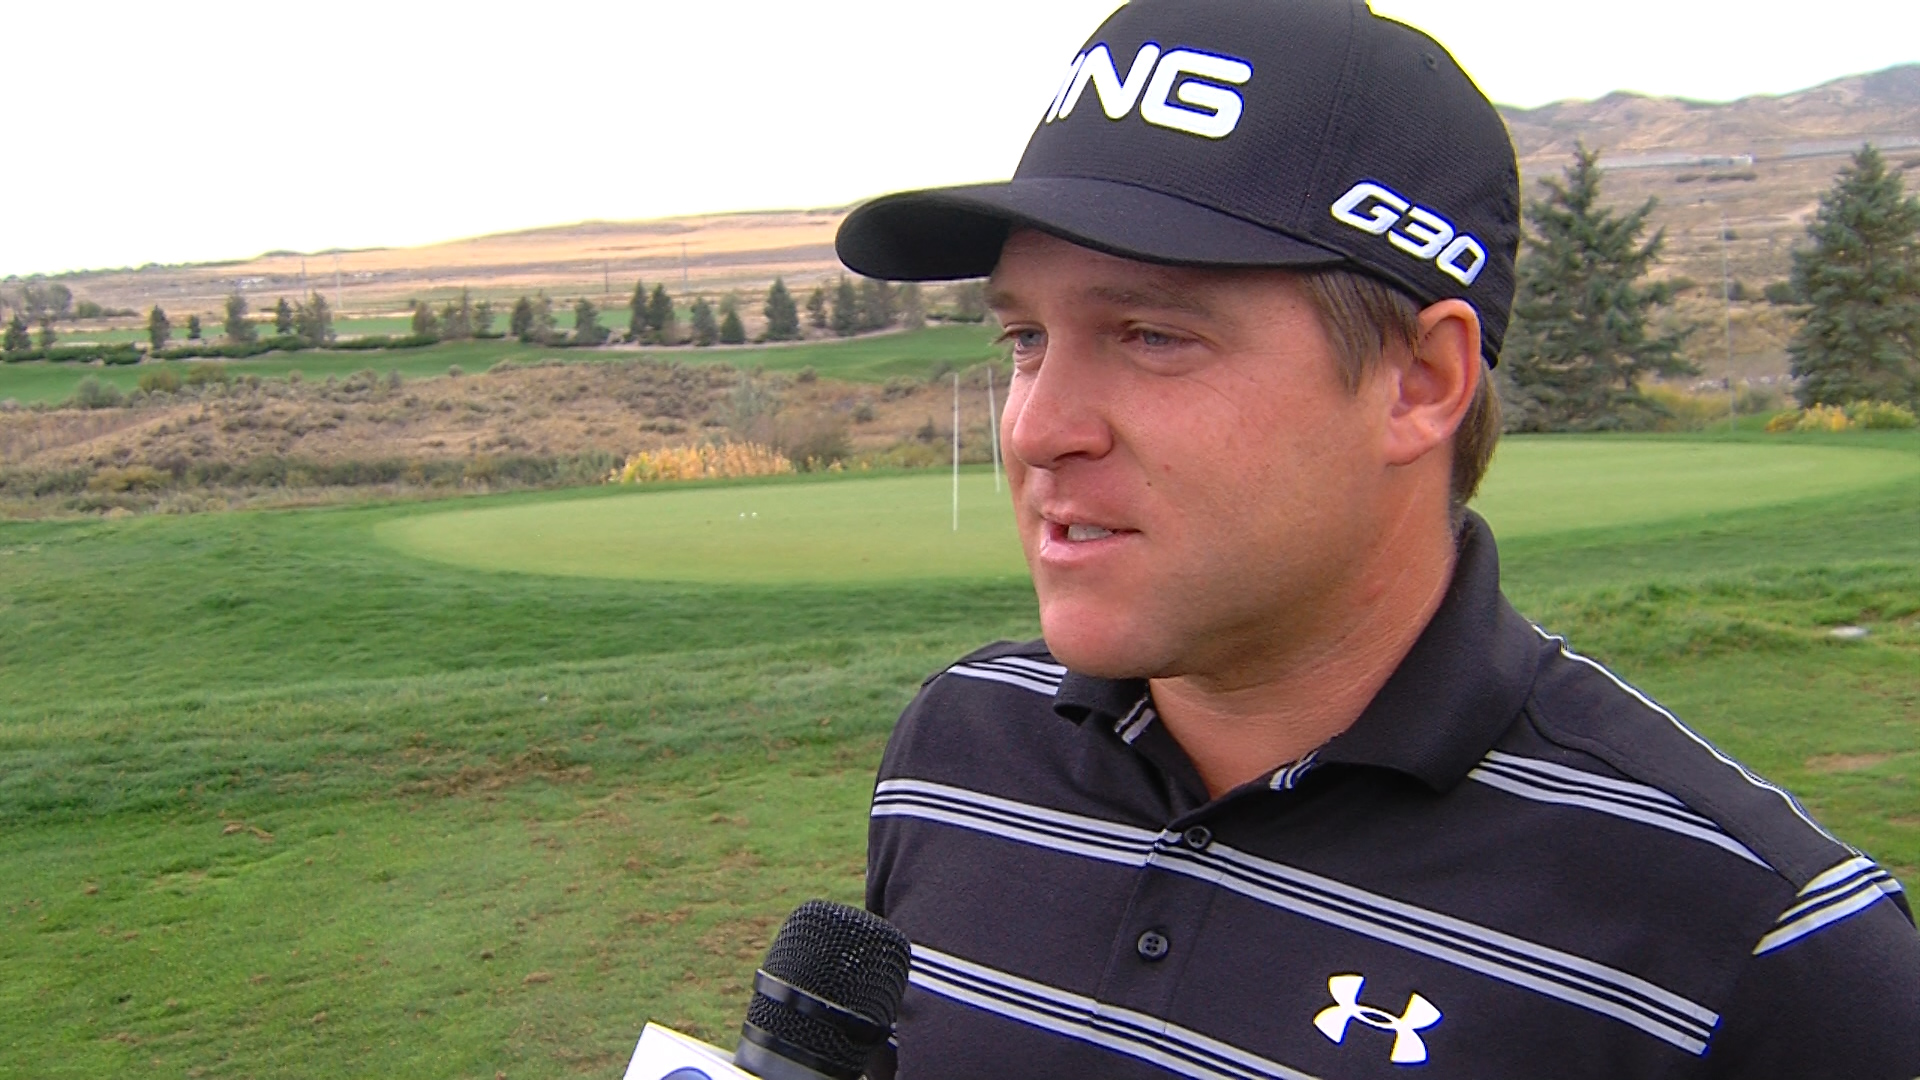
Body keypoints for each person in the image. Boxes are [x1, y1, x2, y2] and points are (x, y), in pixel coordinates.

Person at [834, 1, 1920, 1077]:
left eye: (1152, 334)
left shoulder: (1764, 955)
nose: (1036, 429)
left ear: (1421, 383)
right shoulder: (957, 750)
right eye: (1026, 337)